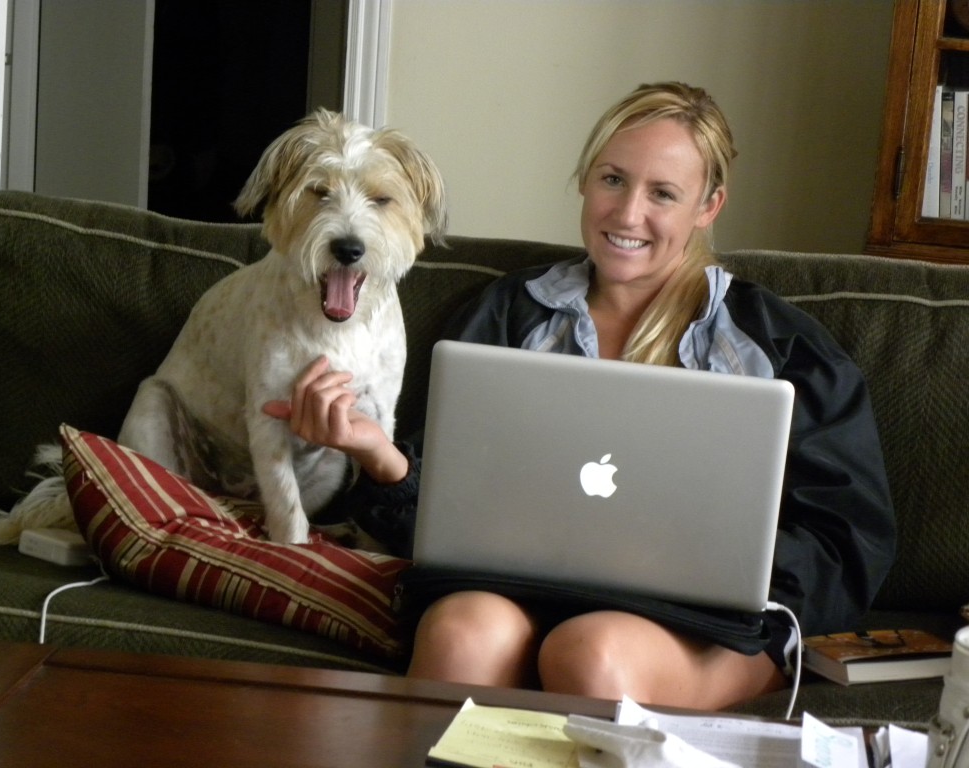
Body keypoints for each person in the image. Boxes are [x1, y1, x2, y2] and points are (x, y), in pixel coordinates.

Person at [265, 82, 896, 710]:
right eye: (613, 180)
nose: (626, 215)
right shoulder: (510, 313)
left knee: (591, 653)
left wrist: (728, 565)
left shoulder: (781, 347)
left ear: (708, 206)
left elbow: (848, 536)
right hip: (514, 585)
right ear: (584, 181)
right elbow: (446, 507)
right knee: (465, 637)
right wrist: (379, 455)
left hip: (693, 620)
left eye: (663, 194)